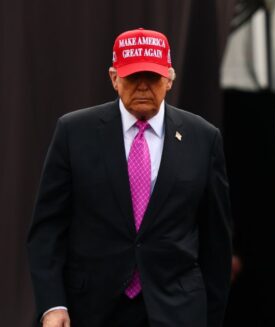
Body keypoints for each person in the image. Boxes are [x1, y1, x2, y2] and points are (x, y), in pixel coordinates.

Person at [27, 28, 232, 327]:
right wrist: (52, 305)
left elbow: (217, 240)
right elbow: (47, 230)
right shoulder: (74, 133)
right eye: (134, 76)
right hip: (91, 309)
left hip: (177, 310)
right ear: (114, 78)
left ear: (169, 79)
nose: (143, 86)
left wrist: (211, 317)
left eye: (152, 76)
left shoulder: (203, 138)